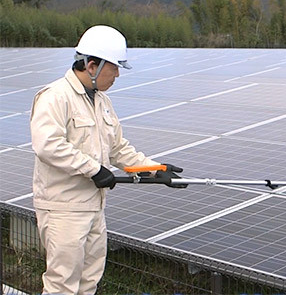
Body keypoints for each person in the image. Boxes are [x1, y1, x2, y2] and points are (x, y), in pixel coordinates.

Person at [30, 25, 184, 295]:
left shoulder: (101, 101)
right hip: (63, 209)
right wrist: (93, 169)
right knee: (62, 284)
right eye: (114, 68)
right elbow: (48, 145)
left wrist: (154, 169)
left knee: (89, 282)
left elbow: (118, 148)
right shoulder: (55, 97)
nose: (116, 76)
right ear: (92, 66)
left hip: (94, 207)